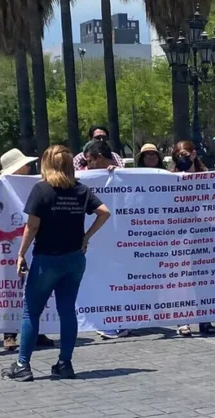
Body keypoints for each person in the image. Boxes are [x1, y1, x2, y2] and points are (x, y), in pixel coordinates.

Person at [1, 145, 111, 382]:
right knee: (67, 311)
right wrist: (86, 236)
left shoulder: (41, 190)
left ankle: (23, 365)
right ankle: (65, 363)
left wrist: (21, 254)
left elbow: (32, 226)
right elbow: (104, 212)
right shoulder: (81, 190)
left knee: (32, 312)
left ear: (47, 165)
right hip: (74, 259)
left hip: (46, 260)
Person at [0, 148, 54, 350]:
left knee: (35, 285)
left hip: (31, 239)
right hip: (9, 241)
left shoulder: (34, 184)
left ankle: (37, 330)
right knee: (10, 284)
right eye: (25, 165)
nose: (29, 167)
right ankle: (9, 333)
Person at [170, 141, 215, 336]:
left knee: (203, 278)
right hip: (179, 232)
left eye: (184, 154)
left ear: (193, 154)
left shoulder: (207, 176)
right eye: (177, 155)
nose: (181, 158)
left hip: (204, 232)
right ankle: (183, 320)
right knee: (182, 278)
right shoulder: (169, 178)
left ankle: (205, 319)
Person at [83, 141, 130, 339]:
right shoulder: (90, 178)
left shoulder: (123, 174)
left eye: (89, 162)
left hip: (125, 237)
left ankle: (123, 321)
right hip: (103, 239)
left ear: (99, 158)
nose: (87, 167)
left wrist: (119, 174)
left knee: (121, 278)